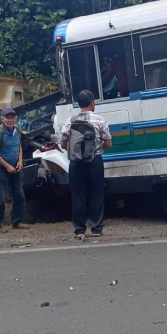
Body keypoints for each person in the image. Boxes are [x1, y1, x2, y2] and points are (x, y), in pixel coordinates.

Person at [59, 90, 112, 238]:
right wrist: (97, 144)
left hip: (76, 163)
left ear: (79, 104)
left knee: (78, 196)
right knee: (96, 194)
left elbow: (63, 144)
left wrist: (76, 150)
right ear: (92, 102)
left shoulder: (70, 121)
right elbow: (108, 144)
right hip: (94, 161)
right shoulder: (100, 120)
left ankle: (79, 230)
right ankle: (96, 229)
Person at [0, 107, 29, 233]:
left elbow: (19, 147)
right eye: (7, 117)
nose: (10, 120)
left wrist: (20, 161)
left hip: (15, 168)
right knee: (1, 198)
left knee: (19, 196)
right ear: (2, 119)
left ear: (15, 118)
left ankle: (16, 222)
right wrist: (7, 166)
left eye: (12, 117)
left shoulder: (16, 131)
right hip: (1, 169)